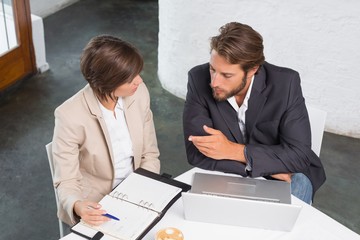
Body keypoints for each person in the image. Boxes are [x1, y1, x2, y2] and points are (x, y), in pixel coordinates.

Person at [183, 22, 326, 204]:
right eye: (213, 69)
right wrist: (258, 166)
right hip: (242, 169)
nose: (214, 82)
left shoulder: (286, 83)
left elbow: (299, 156)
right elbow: (196, 153)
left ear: (252, 70)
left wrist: (234, 151)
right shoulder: (197, 78)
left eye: (226, 75)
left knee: (294, 193)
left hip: (288, 174)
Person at [52, 35, 160, 226]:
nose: (139, 81)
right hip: (99, 206)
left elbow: (149, 154)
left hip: (138, 192)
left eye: (137, 73)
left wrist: (143, 189)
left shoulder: (139, 93)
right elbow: (66, 181)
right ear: (108, 82)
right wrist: (78, 205)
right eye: (130, 79)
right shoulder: (68, 115)